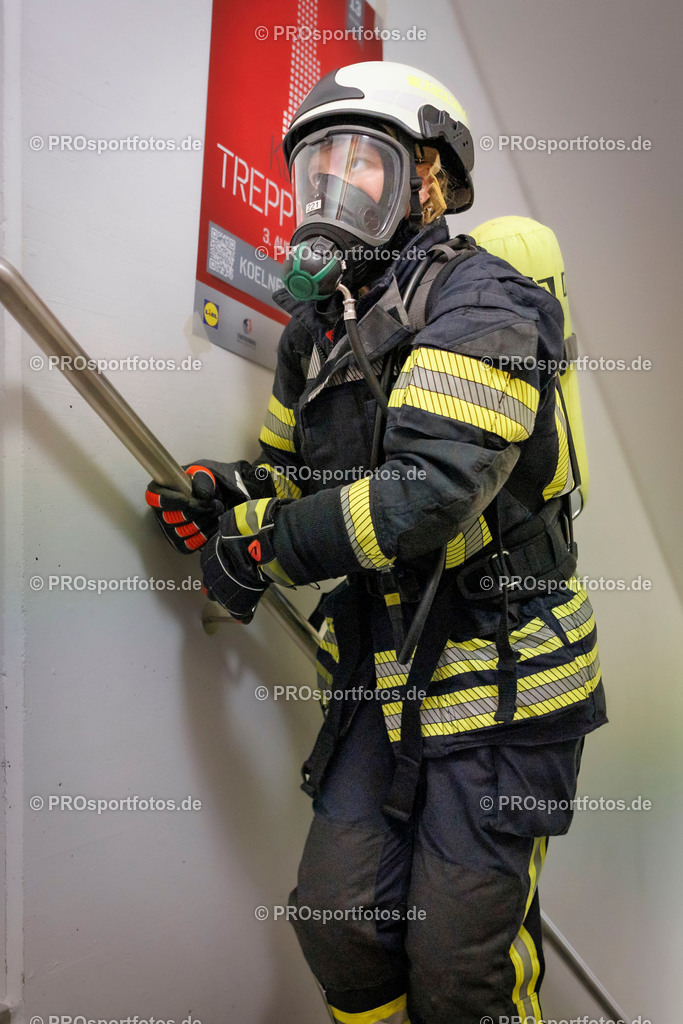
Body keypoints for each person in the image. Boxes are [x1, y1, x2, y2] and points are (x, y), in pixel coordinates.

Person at [146, 61, 607, 1024]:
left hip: (502, 682)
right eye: (317, 164)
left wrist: (265, 549)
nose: (331, 187)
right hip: (382, 674)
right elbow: (291, 474)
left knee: (457, 968)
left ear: (426, 179)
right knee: (337, 920)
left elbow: (421, 496)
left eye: (362, 161)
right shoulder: (311, 329)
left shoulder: (488, 303)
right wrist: (228, 497)